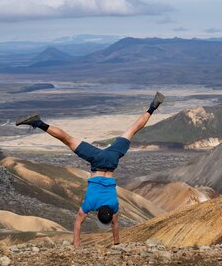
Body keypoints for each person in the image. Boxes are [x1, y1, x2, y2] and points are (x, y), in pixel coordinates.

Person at [15, 92, 165, 247]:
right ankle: (38, 123)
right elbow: (78, 223)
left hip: (112, 160)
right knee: (68, 139)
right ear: (98, 214)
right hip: (97, 161)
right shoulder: (90, 205)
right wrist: (76, 246)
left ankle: (152, 108)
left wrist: (117, 243)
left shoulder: (114, 206)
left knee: (132, 130)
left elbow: (115, 224)